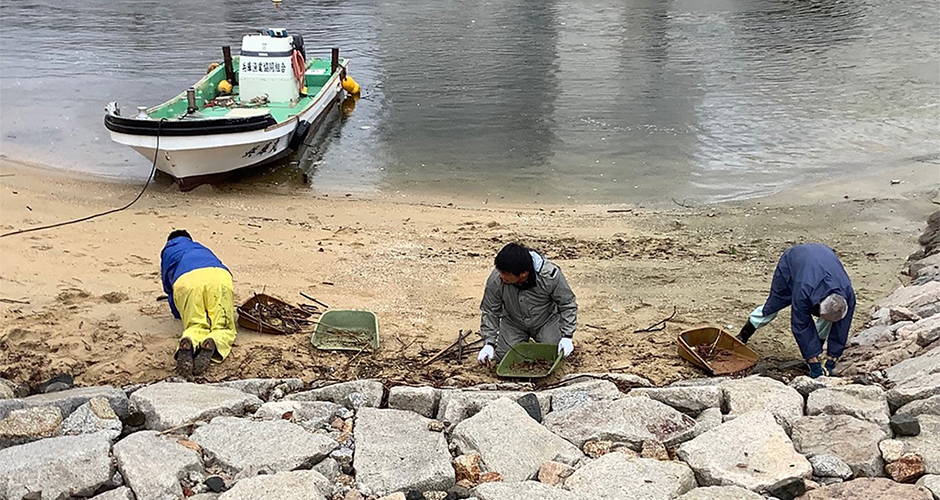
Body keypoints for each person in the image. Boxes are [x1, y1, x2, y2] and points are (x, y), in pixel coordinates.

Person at [737, 243, 855, 378]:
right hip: (792, 261)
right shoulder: (804, 289)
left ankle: (818, 349)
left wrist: (833, 357)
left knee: (828, 321)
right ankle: (744, 334)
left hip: (821, 258)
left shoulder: (848, 296)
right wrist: (812, 361)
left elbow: (842, 328)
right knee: (774, 305)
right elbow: (801, 325)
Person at [478, 243, 578, 364]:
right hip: (513, 322)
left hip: (545, 321)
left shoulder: (550, 276)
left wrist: (567, 336)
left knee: (554, 355)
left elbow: (567, 304)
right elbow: (490, 311)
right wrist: (489, 343)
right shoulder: (496, 280)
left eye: (506, 273)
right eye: (500, 271)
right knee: (505, 359)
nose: (501, 276)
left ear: (523, 273)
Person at [160, 230, 236, 378]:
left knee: (194, 325)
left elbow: (168, 287)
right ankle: (214, 341)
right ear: (189, 239)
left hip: (187, 280)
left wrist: (178, 312)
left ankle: (190, 341)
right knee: (223, 326)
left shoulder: (168, 251)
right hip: (219, 276)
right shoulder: (200, 247)